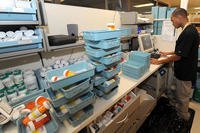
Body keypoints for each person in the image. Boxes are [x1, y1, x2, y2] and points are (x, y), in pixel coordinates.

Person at [151, 8, 199, 122]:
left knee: (182, 97)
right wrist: (167, 53)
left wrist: (158, 61)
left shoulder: (189, 32)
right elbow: (181, 50)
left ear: (180, 17)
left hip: (185, 72)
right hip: (181, 70)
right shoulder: (188, 29)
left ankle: (183, 118)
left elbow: (178, 56)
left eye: (173, 20)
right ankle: (174, 107)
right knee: (173, 90)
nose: (172, 23)